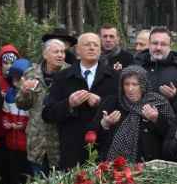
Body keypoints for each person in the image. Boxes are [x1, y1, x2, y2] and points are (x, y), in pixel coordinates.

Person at [42, 33, 119, 169]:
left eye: (95, 45)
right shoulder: (63, 77)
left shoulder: (114, 77)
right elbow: (47, 114)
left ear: (100, 50)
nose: (92, 48)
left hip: (104, 149)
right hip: (72, 151)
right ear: (77, 50)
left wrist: (100, 103)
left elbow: (121, 110)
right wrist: (69, 103)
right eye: (87, 44)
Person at [96, 65, 174, 162]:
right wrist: (105, 125)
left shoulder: (157, 102)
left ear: (143, 85)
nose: (130, 89)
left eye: (134, 84)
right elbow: (94, 136)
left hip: (148, 165)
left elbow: (171, 133)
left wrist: (156, 119)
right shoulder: (112, 103)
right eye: (126, 84)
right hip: (113, 165)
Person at [17, 39, 66, 175]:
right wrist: (25, 92)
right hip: (37, 143)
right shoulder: (31, 73)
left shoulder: (70, 73)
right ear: (45, 54)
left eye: (62, 52)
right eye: (56, 52)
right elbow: (22, 105)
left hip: (60, 143)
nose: (60, 55)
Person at [133, 27, 177, 108]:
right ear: (149, 44)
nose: (158, 48)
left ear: (170, 45)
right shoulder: (136, 64)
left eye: (163, 44)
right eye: (155, 43)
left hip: (167, 119)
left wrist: (175, 96)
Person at [0, 59, 33, 184]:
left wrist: (23, 126)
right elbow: (4, 113)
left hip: (26, 143)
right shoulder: (9, 95)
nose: (16, 82)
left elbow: (34, 118)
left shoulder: (32, 95)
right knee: (13, 172)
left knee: (26, 174)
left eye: (19, 79)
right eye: (14, 79)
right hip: (11, 142)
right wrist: (5, 123)